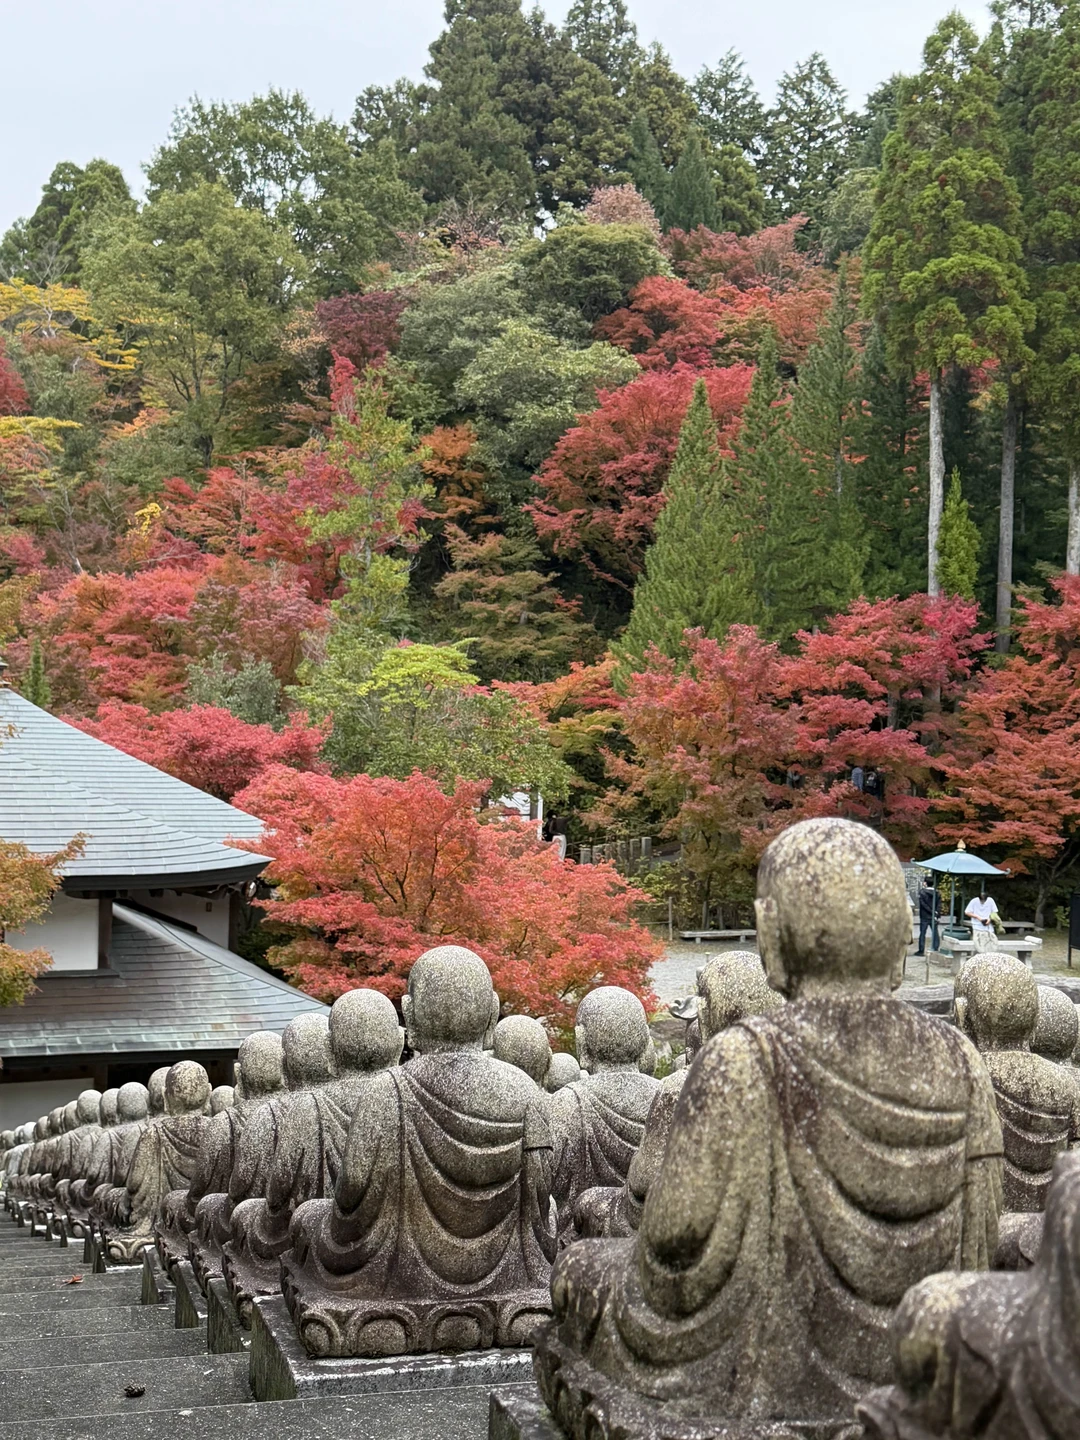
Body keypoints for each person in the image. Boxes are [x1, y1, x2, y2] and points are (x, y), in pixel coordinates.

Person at [966, 885, 1000, 953]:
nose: (983, 902)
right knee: (978, 945)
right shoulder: (974, 901)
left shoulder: (990, 900)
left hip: (988, 927)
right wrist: (978, 917)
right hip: (977, 926)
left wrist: (989, 920)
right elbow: (967, 912)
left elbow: (995, 912)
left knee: (990, 944)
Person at [917, 876, 940, 956]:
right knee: (935, 932)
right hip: (934, 916)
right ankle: (936, 948)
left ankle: (921, 950)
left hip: (924, 916)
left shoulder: (922, 892)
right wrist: (936, 913)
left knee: (922, 933)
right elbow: (939, 904)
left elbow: (923, 904)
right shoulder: (937, 893)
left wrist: (930, 911)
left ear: (925, 883)